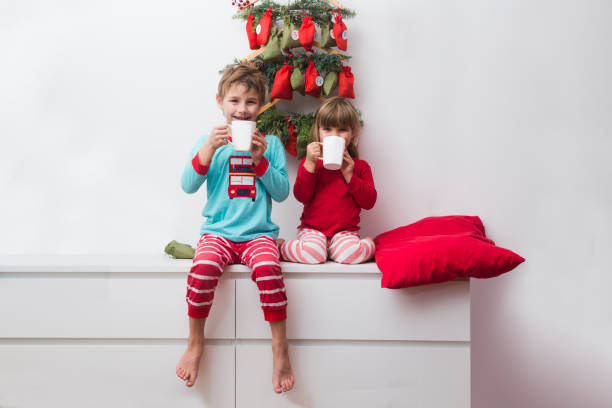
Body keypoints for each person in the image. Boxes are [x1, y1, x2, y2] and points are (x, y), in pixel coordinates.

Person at [176, 63, 294, 394]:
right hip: (218, 233)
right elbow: (187, 185)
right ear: (220, 102)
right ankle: (195, 342)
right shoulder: (208, 142)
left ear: (263, 105)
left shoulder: (269, 145)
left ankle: (279, 346)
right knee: (203, 267)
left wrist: (260, 162)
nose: (242, 109)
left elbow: (282, 192)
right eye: (235, 101)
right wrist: (208, 150)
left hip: (258, 234)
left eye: (252, 102)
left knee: (269, 268)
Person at [280, 97, 377, 264]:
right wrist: (310, 164)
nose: (334, 135)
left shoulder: (360, 167)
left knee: (351, 254)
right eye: (327, 129)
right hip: (312, 231)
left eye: (341, 130)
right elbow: (302, 196)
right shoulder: (310, 164)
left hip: (345, 233)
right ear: (318, 131)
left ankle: (366, 245)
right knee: (313, 254)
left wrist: (349, 175)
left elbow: (369, 202)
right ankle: (281, 246)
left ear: (352, 133)